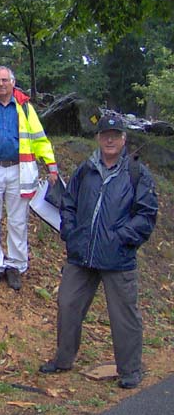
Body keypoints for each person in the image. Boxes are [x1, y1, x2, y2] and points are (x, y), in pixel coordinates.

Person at [39, 115, 157, 389]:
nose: (110, 140)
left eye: (115, 135)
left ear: (124, 139)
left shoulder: (137, 173)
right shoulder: (86, 169)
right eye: (105, 134)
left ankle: (130, 370)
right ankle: (63, 359)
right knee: (67, 305)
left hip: (118, 258)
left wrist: (120, 238)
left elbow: (146, 215)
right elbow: (68, 203)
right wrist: (71, 232)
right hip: (81, 254)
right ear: (98, 138)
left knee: (124, 315)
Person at [0, 66, 57, 290]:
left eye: (5, 80)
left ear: (13, 82)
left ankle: (15, 265)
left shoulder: (25, 108)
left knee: (18, 221)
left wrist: (51, 164)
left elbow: (39, 138)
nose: (1, 84)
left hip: (18, 169)